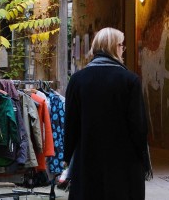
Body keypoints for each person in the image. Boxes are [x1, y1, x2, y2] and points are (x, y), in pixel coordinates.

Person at [64, 27, 151, 200]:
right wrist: (143, 157)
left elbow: (71, 124)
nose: (122, 50)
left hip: (88, 160)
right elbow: (138, 126)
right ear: (112, 47)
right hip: (123, 163)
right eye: (121, 45)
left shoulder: (77, 80)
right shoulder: (129, 80)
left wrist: (68, 157)